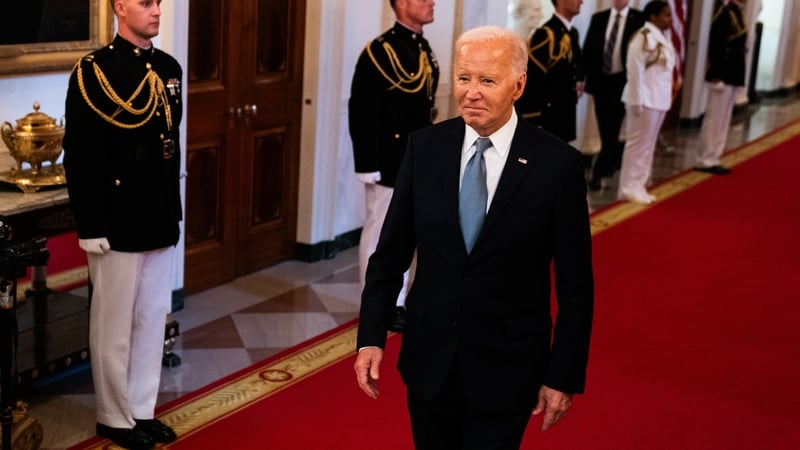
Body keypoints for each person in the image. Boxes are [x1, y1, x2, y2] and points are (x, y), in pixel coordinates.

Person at [354, 26, 594, 449]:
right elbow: (390, 254)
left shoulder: (558, 166)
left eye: (487, 80)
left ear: (518, 84)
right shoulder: (424, 149)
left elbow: (576, 286)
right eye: (464, 78)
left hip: (509, 369)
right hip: (430, 362)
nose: (471, 93)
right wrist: (371, 335)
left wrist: (563, 374)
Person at [62, 1, 182, 448]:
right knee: (113, 323)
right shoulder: (93, 72)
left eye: (158, 3)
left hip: (158, 212)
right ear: (119, 7)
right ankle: (112, 415)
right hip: (115, 217)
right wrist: (90, 224)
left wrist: (174, 211)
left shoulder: (168, 67)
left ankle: (140, 409)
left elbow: (169, 148)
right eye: (146, 3)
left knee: (152, 317)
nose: (156, 11)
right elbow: (81, 155)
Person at [348, 0, 439, 331]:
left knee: (406, 237)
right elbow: (361, 111)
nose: (432, 3)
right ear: (401, 4)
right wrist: (367, 164)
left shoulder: (422, 47)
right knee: (380, 234)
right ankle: (376, 302)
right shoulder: (379, 52)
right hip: (388, 159)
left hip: (415, 159)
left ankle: (397, 302)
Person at [617, 0, 675, 205]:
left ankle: (639, 183)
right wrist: (636, 101)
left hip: (658, 100)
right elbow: (634, 71)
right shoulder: (642, 38)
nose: (670, 19)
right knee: (637, 145)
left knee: (649, 146)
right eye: (666, 15)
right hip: (643, 100)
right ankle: (628, 186)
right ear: (653, 17)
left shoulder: (663, 38)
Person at [583, 0, 644, 190]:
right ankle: (609, 162)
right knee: (605, 129)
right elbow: (588, 50)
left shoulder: (638, 20)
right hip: (601, 81)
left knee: (613, 128)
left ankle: (599, 171)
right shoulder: (599, 18)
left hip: (622, 83)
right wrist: (580, 78)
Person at [516, 0, 585, 143]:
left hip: (564, 112)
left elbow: (573, 67)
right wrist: (533, 119)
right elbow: (533, 80)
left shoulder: (572, 33)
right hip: (548, 118)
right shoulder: (545, 35)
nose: (581, 1)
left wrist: (578, 81)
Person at [694, 0, 748, 175]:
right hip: (722, 74)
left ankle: (715, 155)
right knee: (714, 118)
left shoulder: (738, 13)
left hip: (733, 74)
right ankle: (705, 157)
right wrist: (716, 74)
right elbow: (716, 46)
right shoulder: (724, 14)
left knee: (723, 119)